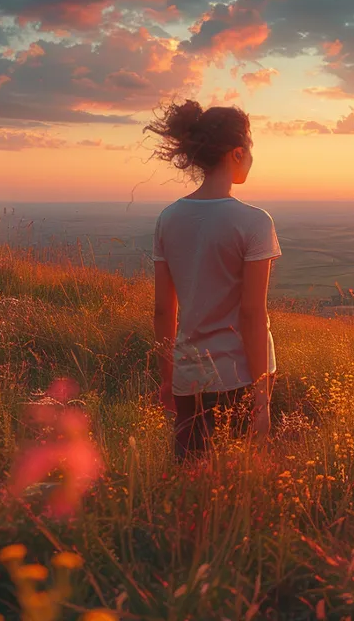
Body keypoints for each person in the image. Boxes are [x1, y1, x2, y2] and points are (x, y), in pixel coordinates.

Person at [147, 100, 281, 461]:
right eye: (251, 150)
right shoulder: (254, 222)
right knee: (237, 491)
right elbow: (252, 314)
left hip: (187, 378)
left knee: (191, 485)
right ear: (238, 152)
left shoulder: (168, 218)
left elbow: (163, 310)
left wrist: (167, 379)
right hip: (239, 378)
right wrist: (261, 397)